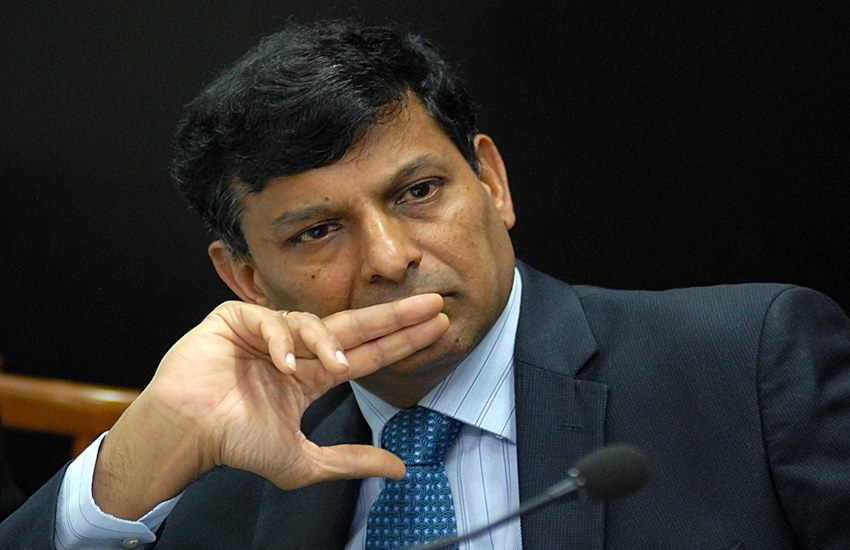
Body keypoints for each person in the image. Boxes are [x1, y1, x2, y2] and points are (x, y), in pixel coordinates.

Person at [2, 19, 849, 550]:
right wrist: (142, 453)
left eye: (417, 192)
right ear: (247, 279)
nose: (389, 256)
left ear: (492, 183)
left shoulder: (748, 363)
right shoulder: (225, 473)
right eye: (318, 231)